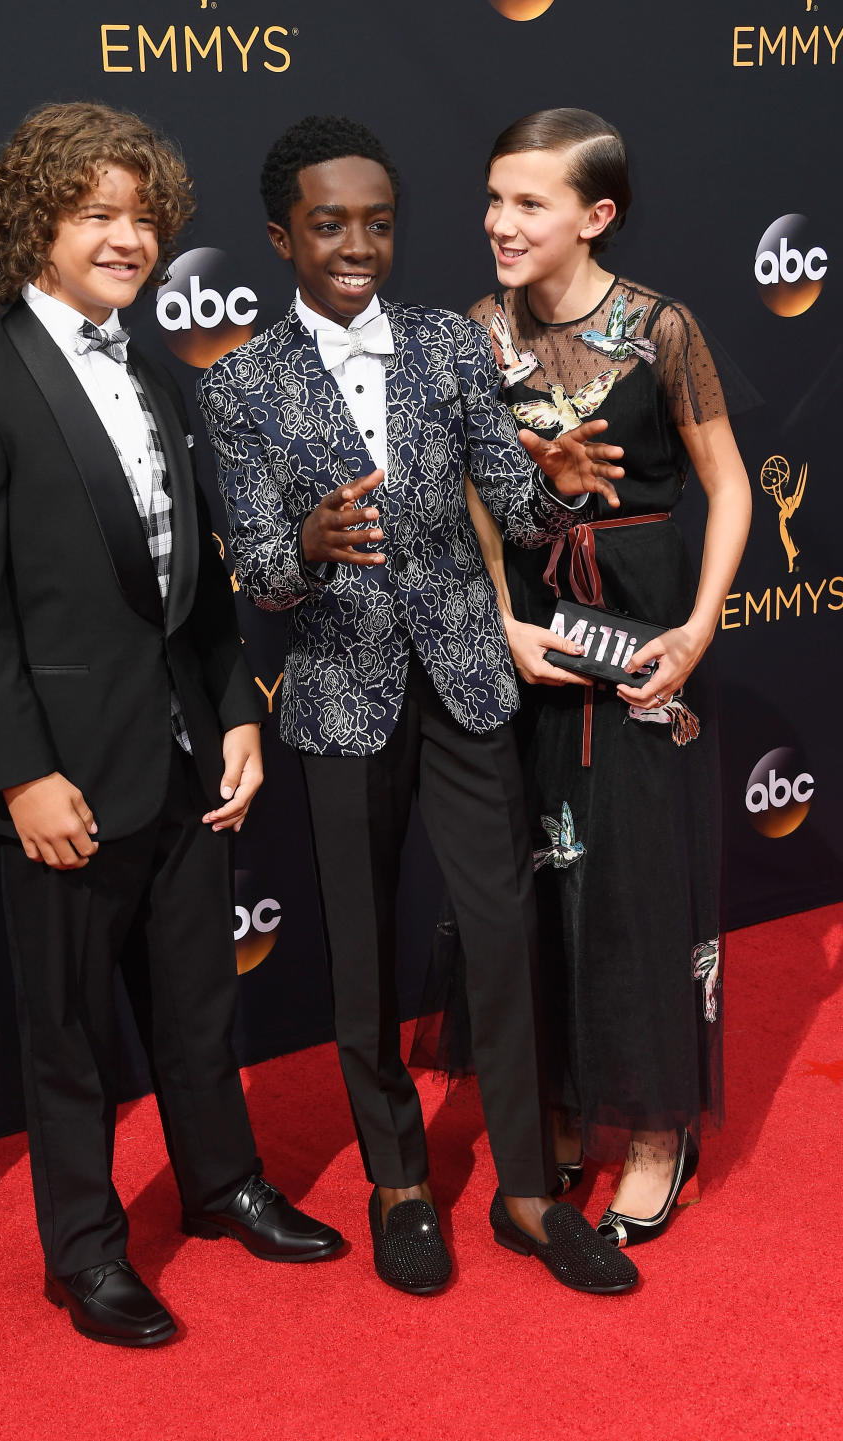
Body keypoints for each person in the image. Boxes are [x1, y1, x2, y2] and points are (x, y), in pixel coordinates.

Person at [0, 101, 343, 1349]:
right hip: (65, 780)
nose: (128, 238)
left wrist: (239, 710)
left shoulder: (150, 368)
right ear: (32, 223)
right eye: (97, 213)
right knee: (71, 1033)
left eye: (143, 216)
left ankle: (221, 1187)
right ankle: (87, 1253)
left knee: (200, 1001)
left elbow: (184, 580)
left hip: (185, 757)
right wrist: (23, 774)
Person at [198, 114, 639, 1297]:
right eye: (330, 223)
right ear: (282, 233)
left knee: (501, 934)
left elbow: (514, 496)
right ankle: (400, 1184)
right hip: (340, 697)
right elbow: (260, 572)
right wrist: (305, 539)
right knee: (362, 958)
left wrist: (551, 488)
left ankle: (529, 1196)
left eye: (378, 223)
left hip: (465, 680)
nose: (357, 244)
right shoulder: (241, 383)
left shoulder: (449, 346)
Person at [464, 108, 752, 1247]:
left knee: (641, 878)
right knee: (546, 869)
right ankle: (574, 1095)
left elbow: (728, 483)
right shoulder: (474, 334)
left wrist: (699, 627)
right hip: (536, 627)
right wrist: (499, 620)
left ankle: (655, 1130)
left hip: (646, 623)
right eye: (493, 198)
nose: (499, 222)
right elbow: (477, 501)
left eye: (529, 203)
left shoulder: (661, 329)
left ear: (596, 216)